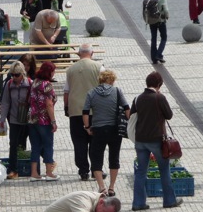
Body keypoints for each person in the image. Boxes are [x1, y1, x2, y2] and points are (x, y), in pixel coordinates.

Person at [131, 71, 183, 211]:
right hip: (156, 140)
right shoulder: (159, 98)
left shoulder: (137, 98)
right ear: (159, 84)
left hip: (140, 140)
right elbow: (169, 115)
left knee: (141, 172)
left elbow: (131, 116)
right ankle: (169, 200)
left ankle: (138, 203)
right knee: (164, 169)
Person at [82, 70, 130, 196]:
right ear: (112, 80)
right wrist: (128, 124)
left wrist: (87, 127)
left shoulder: (91, 93)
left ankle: (101, 187)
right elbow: (126, 108)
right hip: (114, 129)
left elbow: (85, 112)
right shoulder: (117, 91)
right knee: (114, 157)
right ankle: (112, 187)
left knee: (96, 157)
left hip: (98, 129)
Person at [64, 43, 102, 181]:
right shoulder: (99, 67)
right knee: (95, 141)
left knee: (79, 141)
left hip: (76, 110)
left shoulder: (70, 70)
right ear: (92, 53)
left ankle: (83, 170)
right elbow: (105, 88)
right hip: (94, 111)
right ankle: (96, 170)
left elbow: (66, 91)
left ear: (79, 54)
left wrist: (66, 107)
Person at [0, 61, 31, 179]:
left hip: (28, 119)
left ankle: (37, 166)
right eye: (12, 74)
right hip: (13, 119)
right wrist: (2, 119)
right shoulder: (9, 85)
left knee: (31, 142)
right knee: (13, 144)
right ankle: (14, 170)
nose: (14, 77)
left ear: (23, 73)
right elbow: (6, 102)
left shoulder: (30, 84)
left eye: (17, 75)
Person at [28, 61, 58, 181]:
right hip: (43, 120)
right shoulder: (47, 85)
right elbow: (49, 104)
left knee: (35, 146)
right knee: (48, 145)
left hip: (31, 118)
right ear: (49, 72)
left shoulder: (35, 82)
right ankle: (49, 173)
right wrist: (53, 121)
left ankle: (34, 173)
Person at [149, 0, 169, 65]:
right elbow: (166, 10)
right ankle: (159, 55)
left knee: (153, 38)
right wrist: (167, 16)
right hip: (160, 20)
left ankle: (154, 58)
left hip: (151, 20)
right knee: (164, 38)